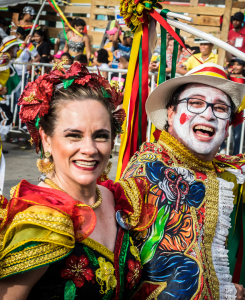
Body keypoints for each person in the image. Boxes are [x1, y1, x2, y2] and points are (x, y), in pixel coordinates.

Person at [121, 62, 245, 299]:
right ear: (171, 113)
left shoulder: (223, 172)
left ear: (228, 127)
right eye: (195, 103)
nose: (208, 114)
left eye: (220, 108)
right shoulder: (151, 167)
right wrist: (222, 291)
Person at [0, 62, 144, 299]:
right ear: (46, 140)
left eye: (101, 136)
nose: (89, 149)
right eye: (73, 136)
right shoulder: (38, 219)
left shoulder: (118, 198)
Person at [0, 36, 20, 141]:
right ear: (11, 48)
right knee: (7, 117)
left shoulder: (6, 57)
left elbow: (19, 53)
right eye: (17, 47)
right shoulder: (4, 57)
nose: (18, 49)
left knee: (6, 117)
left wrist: (26, 43)